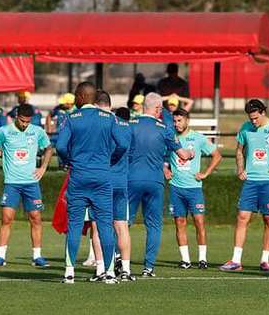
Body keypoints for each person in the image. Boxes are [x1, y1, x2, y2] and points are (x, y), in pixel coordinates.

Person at [56, 82, 129, 284]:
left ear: (80, 97)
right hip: (102, 177)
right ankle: (110, 273)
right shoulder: (109, 118)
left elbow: (60, 146)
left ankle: (69, 272)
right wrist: (111, 159)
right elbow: (123, 144)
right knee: (105, 225)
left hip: (79, 176)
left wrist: (70, 159)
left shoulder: (72, 119)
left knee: (75, 225)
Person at [220, 99, 269, 273]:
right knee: (242, 217)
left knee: (268, 219)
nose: (253, 121)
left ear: (263, 112)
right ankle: (236, 260)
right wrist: (240, 169)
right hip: (250, 181)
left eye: (255, 118)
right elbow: (239, 150)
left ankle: (265, 260)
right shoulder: (245, 128)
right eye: (250, 118)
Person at [128, 93, 193, 277]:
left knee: (124, 222)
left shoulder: (130, 125)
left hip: (131, 179)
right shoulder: (165, 128)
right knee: (154, 224)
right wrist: (190, 153)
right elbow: (182, 155)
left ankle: (120, 262)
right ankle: (148, 267)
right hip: (154, 181)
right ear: (157, 109)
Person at [0, 103, 53, 267]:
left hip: (31, 183)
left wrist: (43, 168)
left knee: (36, 219)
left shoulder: (37, 131)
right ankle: (1, 256)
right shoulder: (4, 131)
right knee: (6, 218)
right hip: (12, 183)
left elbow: (48, 148)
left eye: (27, 121)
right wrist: (4, 155)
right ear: (17, 117)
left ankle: (37, 256)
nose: (25, 124)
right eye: (22, 121)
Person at [86, 93, 136, 282]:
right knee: (121, 225)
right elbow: (129, 151)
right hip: (121, 181)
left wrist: (108, 159)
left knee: (98, 226)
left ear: (96, 106)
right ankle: (126, 270)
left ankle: (102, 270)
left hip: (101, 182)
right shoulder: (125, 125)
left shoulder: (98, 124)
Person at [164, 108, 221, 269]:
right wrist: (165, 169)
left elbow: (217, 155)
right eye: (174, 121)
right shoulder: (170, 138)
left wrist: (206, 173)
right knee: (180, 222)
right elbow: (162, 158)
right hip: (176, 188)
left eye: (179, 120)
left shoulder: (198, 138)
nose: (176, 124)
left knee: (199, 222)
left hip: (194, 188)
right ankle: (185, 260)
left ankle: (202, 259)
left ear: (187, 120)